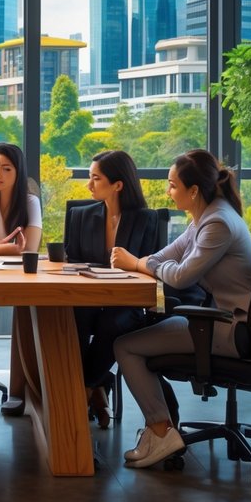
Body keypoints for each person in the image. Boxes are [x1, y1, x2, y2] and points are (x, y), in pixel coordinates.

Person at [110, 149, 251, 469]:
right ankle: (162, 428)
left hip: (231, 329)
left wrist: (137, 263)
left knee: (125, 346)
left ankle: (162, 431)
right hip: (231, 321)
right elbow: (168, 255)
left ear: (193, 191)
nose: (168, 191)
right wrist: (145, 262)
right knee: (137, 338)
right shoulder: (207, 216)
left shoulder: (217, 223)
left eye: (172, 185)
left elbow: (180, 276)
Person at [67, 149, 163, 429]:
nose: (89, 185)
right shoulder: (80, 216)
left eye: (96, 178)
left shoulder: (147, 220)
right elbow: (72, 263)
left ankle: (82, 391)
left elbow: (152, 270)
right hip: (86, 300)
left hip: (125, 305)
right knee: (73, 319)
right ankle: (98, 382)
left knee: (113, 322)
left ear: (118, 185)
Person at [0, 142, 42, 256]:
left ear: (19, 173)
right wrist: (13, 248)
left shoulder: (31, 202)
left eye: (6, 169)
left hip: (21, 271)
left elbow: (30, 249)